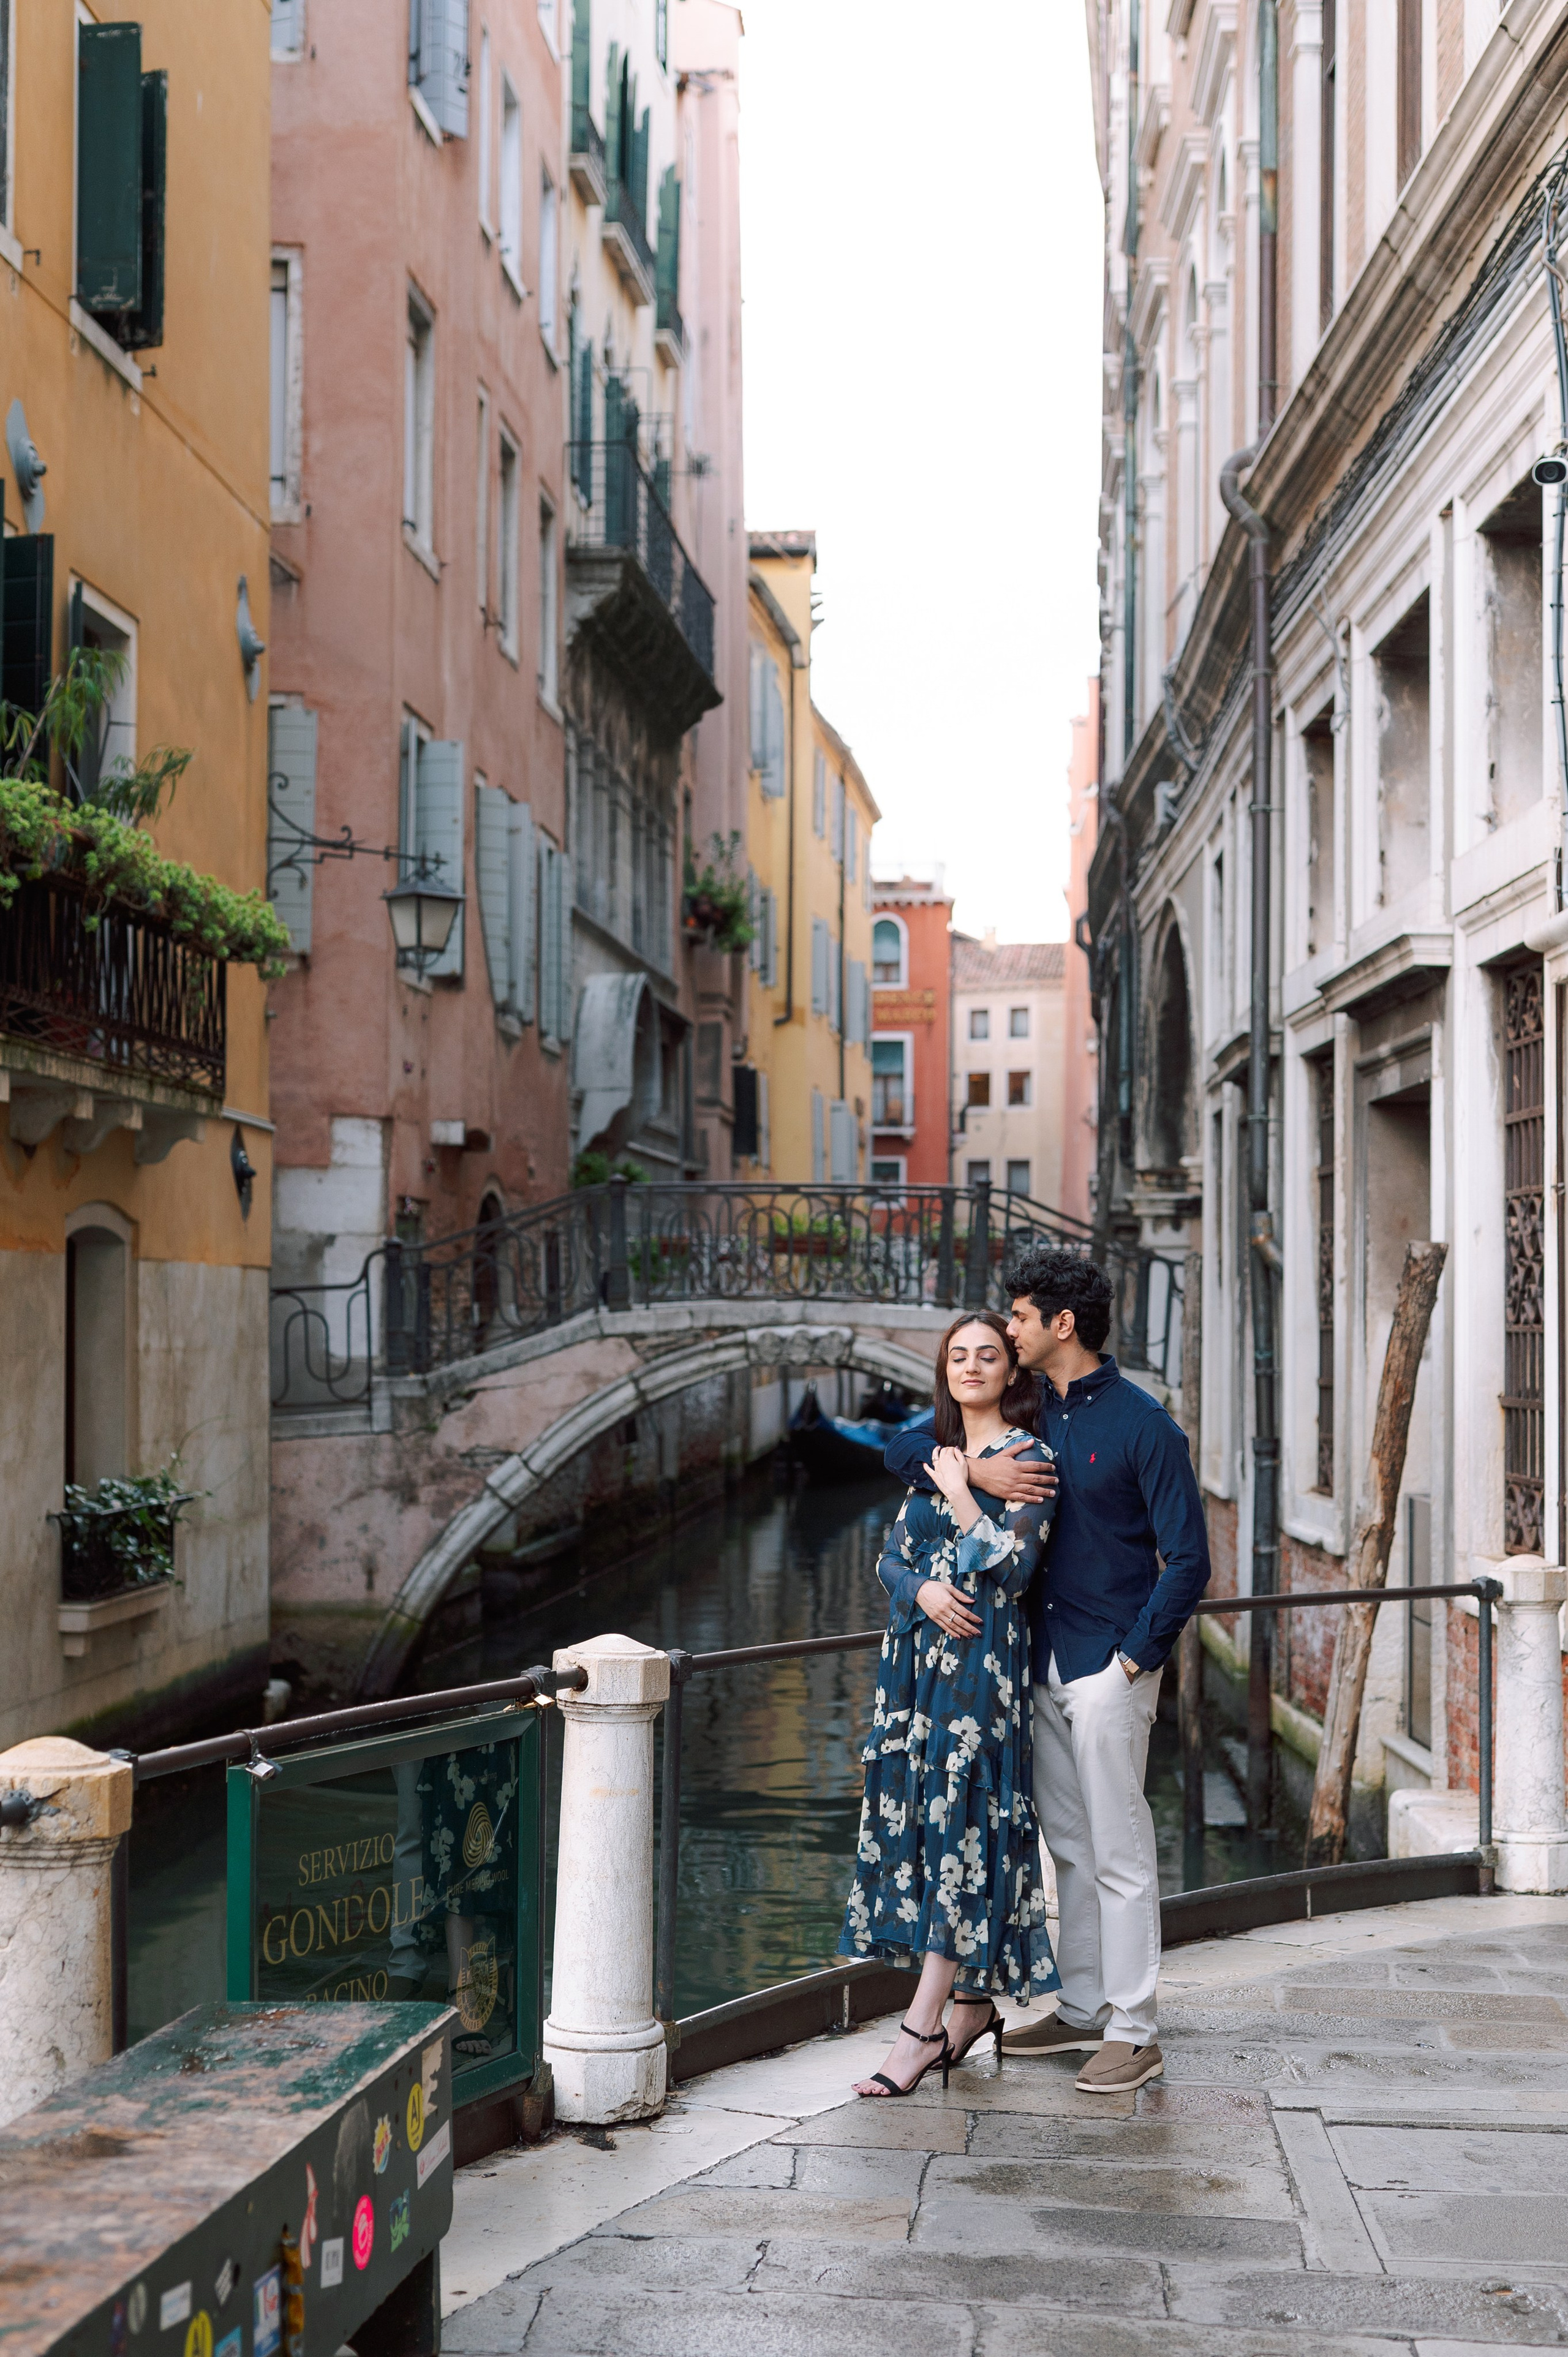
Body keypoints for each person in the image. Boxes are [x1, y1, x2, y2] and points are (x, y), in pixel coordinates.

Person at [884, 1246, 1211, 2095]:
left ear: (1062, 1324)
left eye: (1021, 1316)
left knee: (1120, 1850)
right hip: (1036, 1663)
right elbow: (903, 1446)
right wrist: (972, 1469)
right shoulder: (1034, 1409)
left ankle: (1135, 2029)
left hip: (1108, 1664)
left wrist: (1133, 1660)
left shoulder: (1145, 1424)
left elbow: (1188, 1561)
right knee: (1068, 1843)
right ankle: (1084, 2005)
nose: (1009, 1328)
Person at [839, 1310, 1061, 2097]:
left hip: (980, 1673)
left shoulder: (1031, 1458)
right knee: (930, 1830)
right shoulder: (931, 1453)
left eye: (987, 1354)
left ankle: (920, 2029)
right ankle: (970, 2006)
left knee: (963, 1831)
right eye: (958, 1355)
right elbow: (887, 1558)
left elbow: (1014, 1572)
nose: (971, 1366)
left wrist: (965, 1494)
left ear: (1010, 1371)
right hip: (913, 1671)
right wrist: (922, 1588)